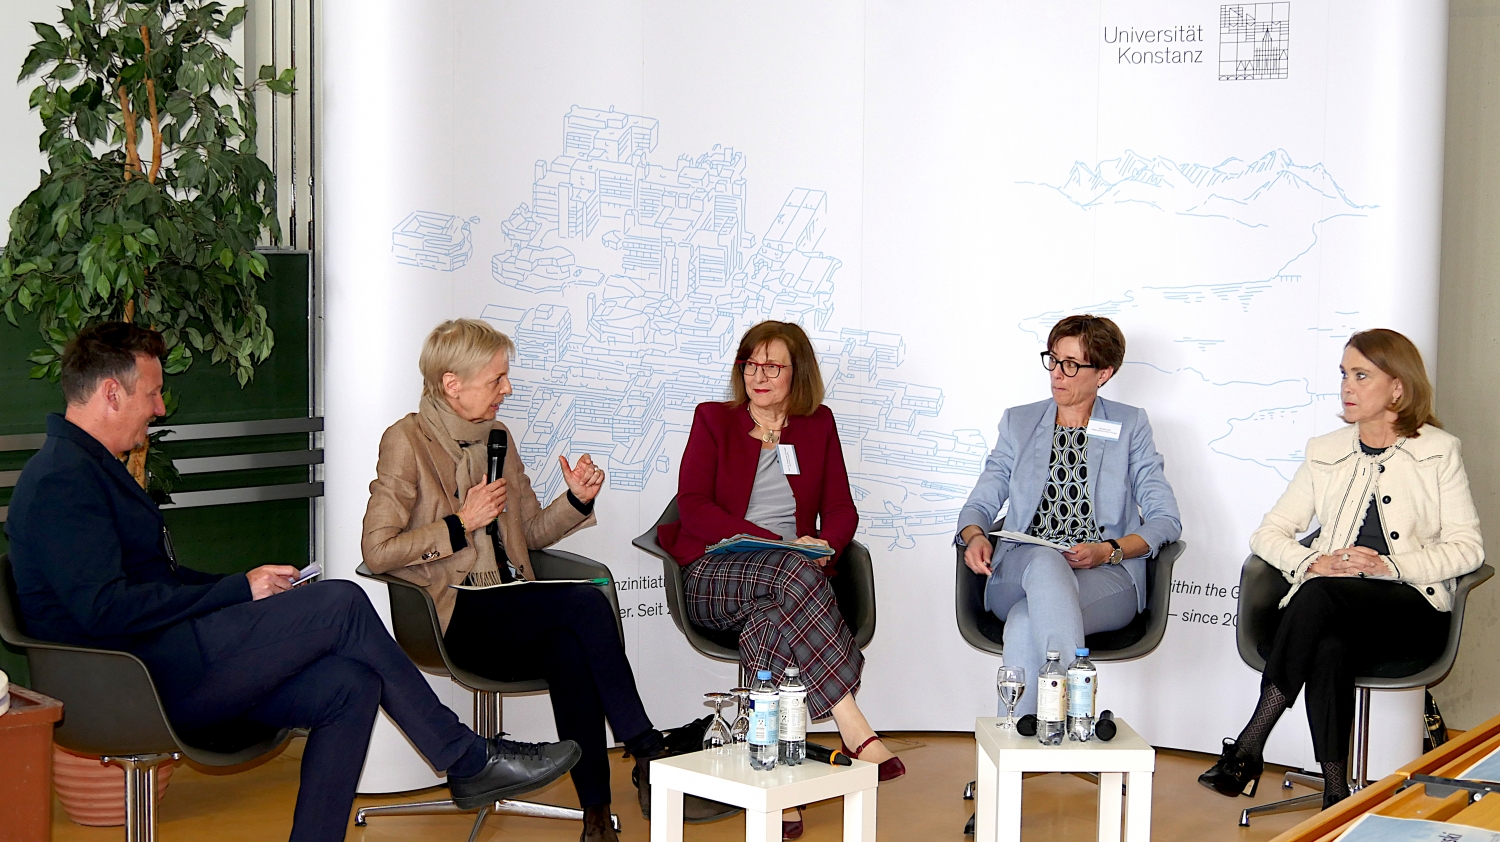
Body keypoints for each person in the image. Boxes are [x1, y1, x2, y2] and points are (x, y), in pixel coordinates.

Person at [5, 322, 579, 842]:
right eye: (152, 394)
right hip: (132, 682)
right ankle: (466, 759)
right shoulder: (62, 482)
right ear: (111, 393)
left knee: (350, 684)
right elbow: (105, 610)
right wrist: (238, 592)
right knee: (341, 602)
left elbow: (159, 582)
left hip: (165, 660)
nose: (158, 408)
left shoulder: (87, 471)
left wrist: (248, 583)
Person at [361, 318, 733, 842]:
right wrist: (460, 524)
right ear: (452, 384)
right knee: (585, 605)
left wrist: (576, 500)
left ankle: (597, 817)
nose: (507, 390)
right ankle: (648, 750)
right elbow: (377, 551)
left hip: (515, 604)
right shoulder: (406, 441)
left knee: (568, 649)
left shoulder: (498, 438)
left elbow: (531, 532)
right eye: (496, 379)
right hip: (455, 616)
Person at [1199, 329, 1483, 808]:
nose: (1347, 387)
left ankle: (1250, 742)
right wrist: (1313, 560)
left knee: (1321, 593)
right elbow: (1268, 533)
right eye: (1344, 374)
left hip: (1409, 608)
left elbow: (1468, 549)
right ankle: (1335, 793)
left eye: (1361, 375)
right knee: (1329, 640)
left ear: (1398, 387)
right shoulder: (1325, 450)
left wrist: (1390, 566)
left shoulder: (1438, 451)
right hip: (1330, 608)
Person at [658, 320, 902, 840]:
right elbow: (693, 506)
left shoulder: (817, 425)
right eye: (751, 363)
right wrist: (773, 544)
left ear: (798, 374)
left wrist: (825, 544)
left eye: (773, 366)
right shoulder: (713, 420)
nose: (759, 375)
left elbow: (841, 508)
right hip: (715, 575)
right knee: (791, 572)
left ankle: (774, 778)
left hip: (788, 584)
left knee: (771, 623)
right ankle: (851, 720)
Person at [955, 315, 1181, 716]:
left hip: (1104, 576)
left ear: (1104, 374)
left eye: (1072, 365)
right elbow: (979, 505)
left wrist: (1108, 550)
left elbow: (1165, 519)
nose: (1057, 374)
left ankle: (1022, 735)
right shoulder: (1019, 422)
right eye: (1054, 360)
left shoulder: (1129, 426)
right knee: (1045, 560)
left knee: (1025, 623)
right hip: (1019, 571)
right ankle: (1075, 712)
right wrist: (974, 536)